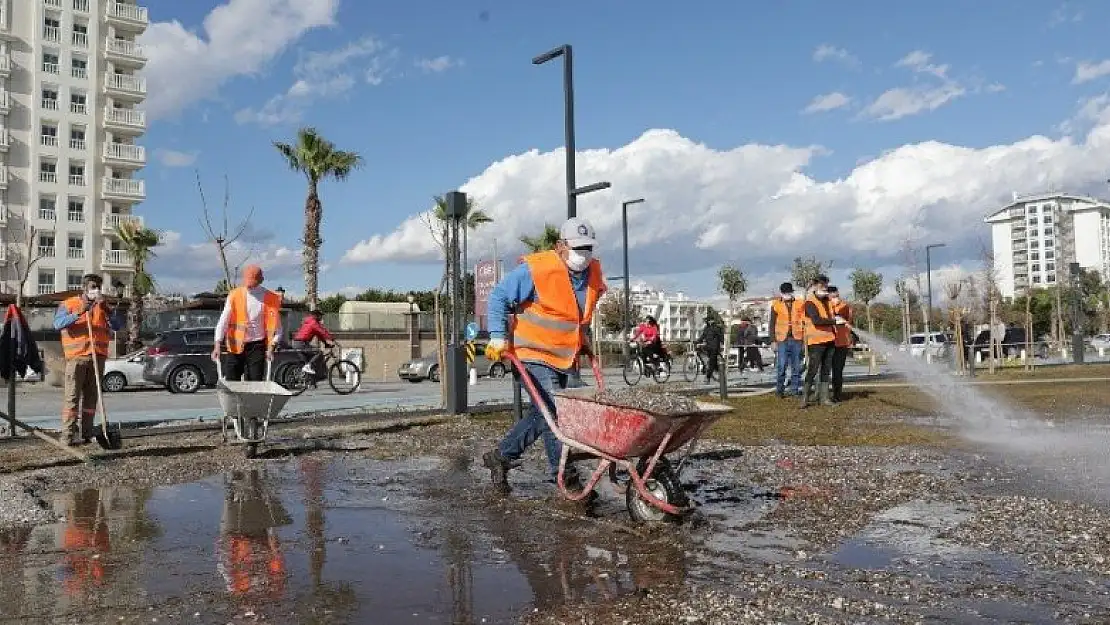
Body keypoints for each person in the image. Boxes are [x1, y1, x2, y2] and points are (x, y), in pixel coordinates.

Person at [481, 217, 606, 494]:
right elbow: (499, 297)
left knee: (545, 413)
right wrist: (498, 337)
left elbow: (576, 316)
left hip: (565, 357)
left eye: (588, 248)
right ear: (560, 246)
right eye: (577, 247)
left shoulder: (593, 273)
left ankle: (501, 456)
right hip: (532, 353)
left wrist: (581, 339)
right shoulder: (538, 269)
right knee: (555, 413)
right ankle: (565, 478)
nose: (583, 254)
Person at [53, 274, 125, 445]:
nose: (96, 289)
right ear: (84, 287)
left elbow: (117, 325)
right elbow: (58, 324)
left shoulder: (103, 306)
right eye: (93, 286)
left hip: (97, 357)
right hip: (77, 358)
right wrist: (80, 312)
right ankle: (67, 435)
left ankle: (87, 432)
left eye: (98, 286)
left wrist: (107, 310)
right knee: (72, 397)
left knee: (92, 398)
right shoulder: (69, 304)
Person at [212, 265, 283, 382]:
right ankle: (233, 400)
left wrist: (271, 348)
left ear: (261, 281)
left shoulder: (271, 298)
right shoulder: (234, 295)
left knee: (255, 382)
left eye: (253, 283)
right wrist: (217, 345)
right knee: (232, 381)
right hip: (235, 346)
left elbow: (278, 329)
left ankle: (252, 400)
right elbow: (223, 321)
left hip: (257, 346)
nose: (249, 286)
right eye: (247, 282)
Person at [800, 275, 838, 408]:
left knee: (826, 370)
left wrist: (837, 321)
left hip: (830, 340)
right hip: (816, 342)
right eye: (822, 286)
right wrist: (834, 321)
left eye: (826, 286)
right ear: (815, 286)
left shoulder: (828, 301)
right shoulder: (810, 303)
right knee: (813, 369)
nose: (824, 288)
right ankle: (804, 398)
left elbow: (831, 316)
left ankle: (824, 398)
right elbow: (816, 320)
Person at [768, 282, 804, 398]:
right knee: (781, 366)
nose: (787, 295)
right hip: (782, 340)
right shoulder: (775, 305)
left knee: (796, 367)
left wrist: (804, 339)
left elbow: (804, 321)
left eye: (788, 292)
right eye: (784, 293)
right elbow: (772, 323)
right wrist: (773, 340)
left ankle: (794, 390)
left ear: (792, 292)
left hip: (797, 339)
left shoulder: (800, 304)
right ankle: (780, 390)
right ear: (781, 293)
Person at [828, 286, 853, 402]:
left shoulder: (845, 306)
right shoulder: (825, 307)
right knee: (824, 370)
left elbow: (849, 322)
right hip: (828, 342)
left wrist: (844, 322)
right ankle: (823, 394)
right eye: (833, 297)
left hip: (842, 343)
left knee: (838, 371)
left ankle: (837, 395)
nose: (836, 299)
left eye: (837, 296)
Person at [292, 308, 335, 375]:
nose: (321, 317)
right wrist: (332, 339)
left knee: (308, 360)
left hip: (298, 343)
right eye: (320, 315)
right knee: (318, 352)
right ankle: (308, 366)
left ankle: (310, 376)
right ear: (316, 315)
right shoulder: (313, 322)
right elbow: (323, 332)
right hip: (301, 343)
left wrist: (326, 343)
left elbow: (319, 335)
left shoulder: (310, 322)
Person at [696, 315, 723, 383]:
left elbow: (721, 337)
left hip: (714, 348)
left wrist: (724, 344)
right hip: (708, 348)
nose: (707, 322)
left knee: (711, 363)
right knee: (713, 363)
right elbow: (703, 336)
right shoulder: (706, 328)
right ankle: (719, 373)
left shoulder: (717, 328)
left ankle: (707, 378)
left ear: (712, 320)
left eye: (708, 320)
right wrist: (697, 341)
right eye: (707, 321)